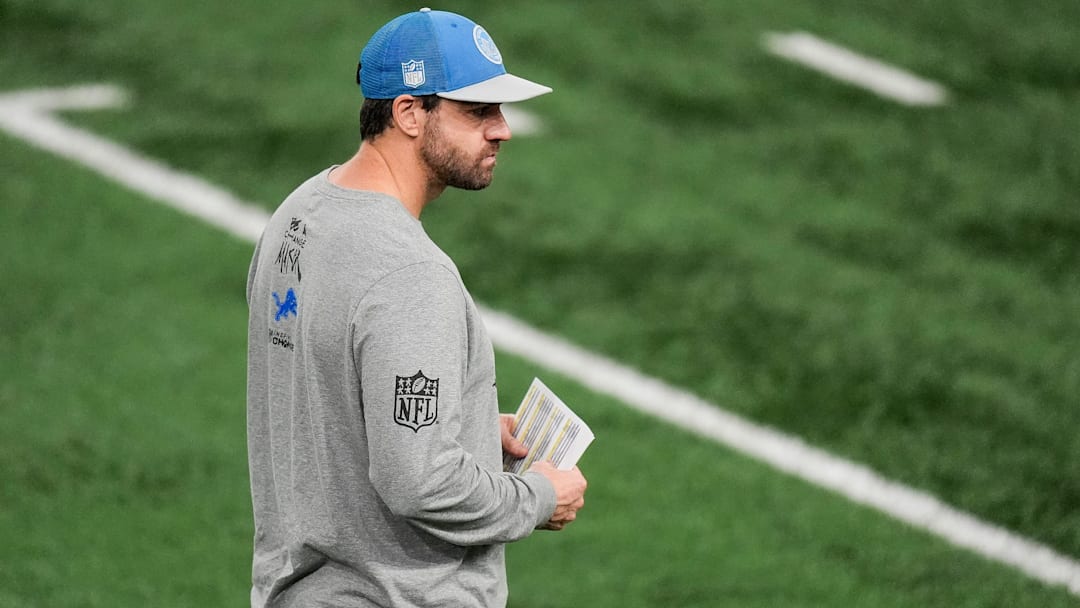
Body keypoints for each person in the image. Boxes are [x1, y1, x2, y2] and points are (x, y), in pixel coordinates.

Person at [245, 8, 588, 607]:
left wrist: (474, 430)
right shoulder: (410, 275)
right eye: (477, 111)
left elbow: (339, 398)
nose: (502, 129)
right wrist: (536, 497)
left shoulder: (297, 215)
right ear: (409, 112)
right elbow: (419, 481)